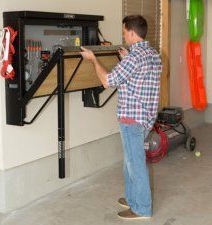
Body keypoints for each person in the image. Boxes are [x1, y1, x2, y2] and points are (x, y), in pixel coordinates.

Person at [80, 15, 162, 220]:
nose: (123, 35)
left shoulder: (135, 58)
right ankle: (133, 197)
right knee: (130, 161)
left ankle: (142, 208)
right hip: (146, 117)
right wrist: (126, 57)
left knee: (135, 163)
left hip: (131, 119)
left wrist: (93, 59)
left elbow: (108, 80)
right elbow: (139, 77)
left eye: (125, 32)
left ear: (132, 33)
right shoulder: (153, 54)